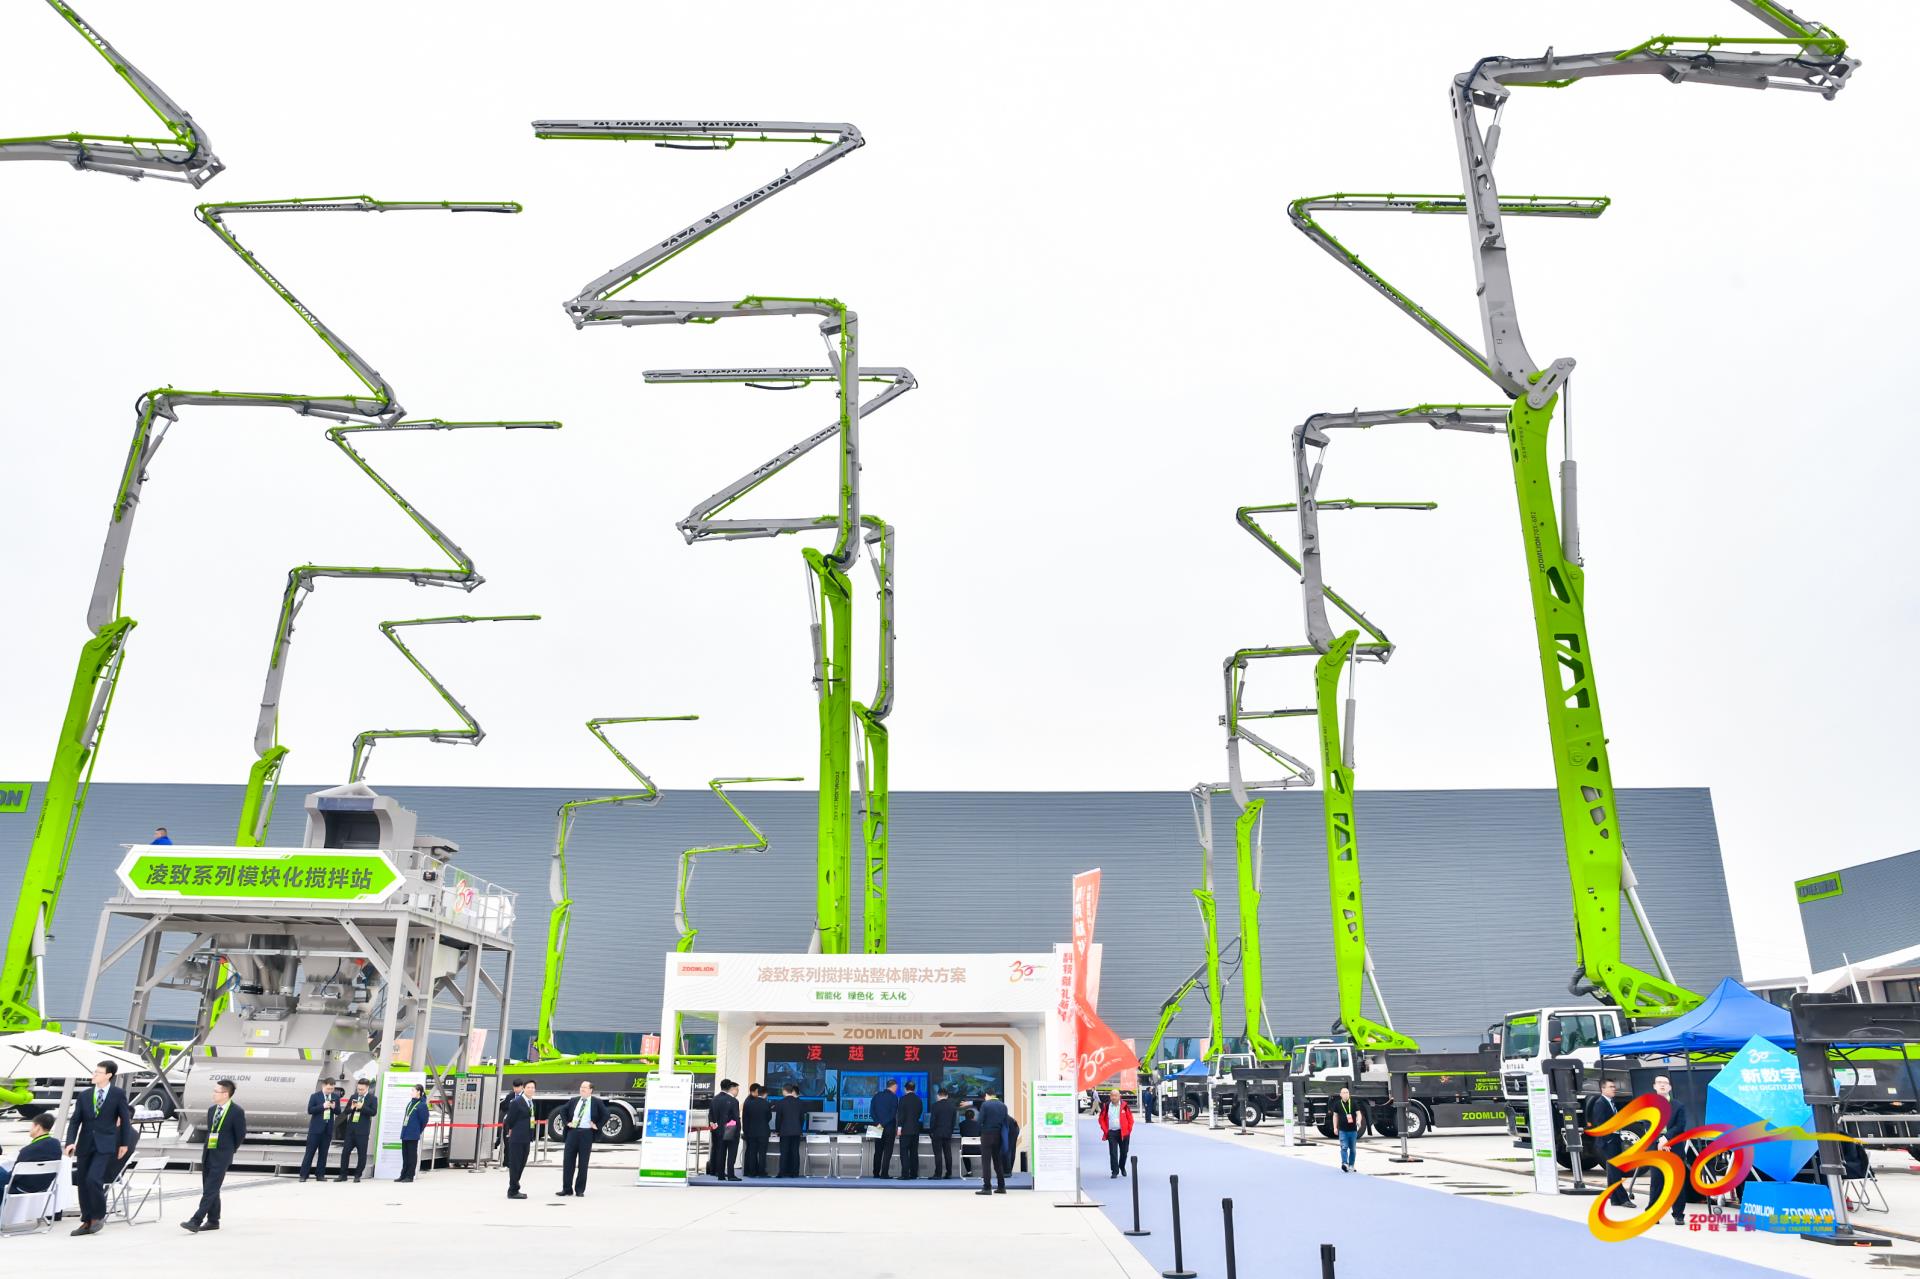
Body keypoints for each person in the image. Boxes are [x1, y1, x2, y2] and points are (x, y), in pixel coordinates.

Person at [64, 1059, 135, 1235]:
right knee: (83, 1182)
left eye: (98, 1072)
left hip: (105, 1145)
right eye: (94, 1071)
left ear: (108, 1075)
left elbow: (125, 1120)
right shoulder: (85, 1095)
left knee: (93, 1179)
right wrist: (70, 1141)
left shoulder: (118, 1094)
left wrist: (124, 1143)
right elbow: (75, 1121)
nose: (94, 1075)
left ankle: (97, 1216)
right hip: (85, 1144)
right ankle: (87, 1220)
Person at [182, 1079, 245, 1233]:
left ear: (225, 1094)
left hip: (223, 1155)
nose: (213, 1094)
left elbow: (240, 1135)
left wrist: (229, 1150)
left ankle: (196, 1220)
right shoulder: (212, 1110)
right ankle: (213, 1220)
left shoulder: (236, 1111)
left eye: (216, 1091)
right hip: (209, 1152)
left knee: (210, 1189)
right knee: (211, 1188)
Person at [1646, 1075, 1694, 1225]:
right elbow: (1648, 1126)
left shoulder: (1678, 1106)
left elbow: (1680, 1126)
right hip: (1655, 1148)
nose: (1662, 1085)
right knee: (1657, 1181)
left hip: (1674, 1147)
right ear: (1654, 1086)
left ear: (1670, 1087)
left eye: (1665, 1083)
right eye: (1659, 1082)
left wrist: (1666, 1139)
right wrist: (1659, 1141)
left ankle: (1678, 1214)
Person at [1583, 1078, 1632, 1208]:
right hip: (1608, 1141)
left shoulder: (1611, 1102)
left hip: (1614, 1139)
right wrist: (1609, 1139)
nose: (1614, 1089)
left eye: (1614, 1086)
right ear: (1603, 1089)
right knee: (1615, 1172)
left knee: (1612, 1171)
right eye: (1611, 1087)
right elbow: (1600, 1123)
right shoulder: (1600, 1103)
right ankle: (1623, 1199)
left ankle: (1614, 1199)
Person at [0, 1114, 63, 1210]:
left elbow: (14, 1177)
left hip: (22, 1187)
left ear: (37, 1127)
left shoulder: (28, 1150)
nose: (30, 1129)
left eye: (32, 1126)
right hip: (44, 1186)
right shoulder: (56, 1144)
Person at [559, 1080, 608, 1196]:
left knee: (583, 1163)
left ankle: (580, 1190)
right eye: (581, 1087)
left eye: (585, 1087)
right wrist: (567, 1123)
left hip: (586, 1134)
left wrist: (597, 1125)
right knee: (568, 1161)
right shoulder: (574, 1100)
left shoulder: (596, 1102)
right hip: (572, 1132)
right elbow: (562, 1110)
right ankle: (567, 1189)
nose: (582, 1089)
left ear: (591, 1090)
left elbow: (606, 1114)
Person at [298, 1077, 340, 1183]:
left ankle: (320, 1175)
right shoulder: (315, 1096)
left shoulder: (335, 1097)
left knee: (323, 1153)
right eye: (328, 1088)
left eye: (332, 1089)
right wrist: (323, 1106)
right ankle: (303, 1175)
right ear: (323, 1086)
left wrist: (334, 1107)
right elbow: (310, 1110)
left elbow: (338, 1112)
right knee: (310, 1153)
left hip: (327, 1130)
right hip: (315, 1130)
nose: (330, 1091)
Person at [337, 1078, 378, 1182]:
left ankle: (357, 1175)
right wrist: (351, 1107)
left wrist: (362, 1106)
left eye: (362, 1089)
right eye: (358, 1089)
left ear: (367, 1088)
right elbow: (346, 1111)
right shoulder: (353, 1097)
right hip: (351, 1130)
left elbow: (373, 1112)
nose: (359, 1091)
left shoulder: (372, 1098)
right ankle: (343, 1175)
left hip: (362, 1131)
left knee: (362, 1154)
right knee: (345, 1153)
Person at [501, 1079, 535, 1199]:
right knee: (515, 1164)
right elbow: (509, 1119)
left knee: (522, 1164)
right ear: (524, 1089)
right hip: (517, 1137)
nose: (531, 1089)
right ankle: (512, 1190)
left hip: (526, 1137)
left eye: (533, 1087)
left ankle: (515, 1187)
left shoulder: (531, 1102)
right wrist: (510, 1131)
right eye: (528, 1087)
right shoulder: (517, 1102)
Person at [975, 1087, 1009, 1195]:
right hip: (998, 1135)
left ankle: (987, 1188)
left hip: (986, 1135)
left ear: (987, 1095)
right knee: (997, 1161)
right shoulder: (1003, 1105)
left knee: (986, 1162)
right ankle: (1001, 1187)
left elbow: (980, 1121)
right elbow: (1006, 1122)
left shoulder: (985, 1105)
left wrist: (979, 1132)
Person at [708, 1079, 742, 1182]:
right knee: (732, 1152)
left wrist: (714, 1126)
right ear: (731, 1088)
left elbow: (711, 1115)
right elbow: (735, 1117)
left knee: (721, 1152)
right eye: (737, 1089)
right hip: (731, 1128)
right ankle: (731, 1175)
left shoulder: (715, 1099)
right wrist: (738, 1129)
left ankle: (721, 1175)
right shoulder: (734, 1101)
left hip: (718, 1129)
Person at [1097, 1087, 1134, 1178]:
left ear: (1119, 1096)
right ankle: (1115, 1171)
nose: (1114, 1097)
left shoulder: (1125, 1106)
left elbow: (1130, 1119)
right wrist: (1106, 1130)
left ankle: (1122, 1166)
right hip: (1111, 1133)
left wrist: (1128, 1130)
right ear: (1110, 1096)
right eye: (1112, 1095)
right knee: (1113, 1152)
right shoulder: (1106, 1106)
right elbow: (1101, 1119)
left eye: (1116, 1095)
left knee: (1124, 1152)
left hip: (1124, 1133)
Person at [398, 1084, 429, 1182]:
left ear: (418, 1092)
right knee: (405, 1156)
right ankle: (403, 1175)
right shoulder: (410, 1103)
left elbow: (424, 1121)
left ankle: (410, 1176)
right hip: (405, 1133)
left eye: (413, 1090)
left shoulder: (422, 1105)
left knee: (411, 1156)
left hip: (413, 1134)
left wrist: (417, 1131)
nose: (411, 1092)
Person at [894, 1080, 924, 1180]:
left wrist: (899, 1128)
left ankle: (905, 1174)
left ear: (905, 1089)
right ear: (914, 1089)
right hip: (915, 1129)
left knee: (904, 1152)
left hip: (905, 1130)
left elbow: (901, 1115)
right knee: (914, 1153)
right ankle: (914, 1174)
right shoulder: (919, 1100)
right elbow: (919, 1114)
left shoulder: (902, 1099)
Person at [774, 1084, 805, 1178]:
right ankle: (795, 1173)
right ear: (792, 1091)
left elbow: (778, 1119)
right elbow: (802, 1118)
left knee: (784, 1152)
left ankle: (782, 1173)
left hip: (784, 1131)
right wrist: (800, 1128)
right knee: (795, 1152)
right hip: (796, 1131)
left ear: (784, 1091)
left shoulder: (780, 1103)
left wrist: (777, 1130)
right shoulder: (799, 1103)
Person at [870, 1077, 899, 1178]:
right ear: (894, 1086)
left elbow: (871, 1112)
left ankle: (875, 1173)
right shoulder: (894, 1097)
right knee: (887, 1151)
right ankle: (884, 1174)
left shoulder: (876, 1096)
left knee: (877, 1151)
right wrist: (883, 1123)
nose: (896, 1089)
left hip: (876, 1127)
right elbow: (892, 1114)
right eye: (896, 1087)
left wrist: (878, 1123)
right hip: (889, 1127)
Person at [741, 1083, 772, 1178]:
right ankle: (762, 1172)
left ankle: (752, 1172)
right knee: (762, 1153)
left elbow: (745, 1118)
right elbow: (769, 1117)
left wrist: (746, 1131)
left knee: (752, 1152)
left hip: (751, 1132)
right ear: (765, 1094)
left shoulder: (748, 1103)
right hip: (763, 1132)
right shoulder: (767, 1104)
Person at [929, 1086, 959, 1180]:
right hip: (948, 1133)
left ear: (938, 1095)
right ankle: (949, 1173)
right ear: (947, 1096)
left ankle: (938, 1174)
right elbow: (953, 1121)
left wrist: (931, 1131)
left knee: (938, 1154)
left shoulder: (935, 1106)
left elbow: (932, 1121)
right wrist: (950, 1131)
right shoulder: (952, 1106)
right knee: (948, 1153)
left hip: (937, 1133)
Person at [1334, 1086, 1362, 1173]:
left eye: (1347, 1092)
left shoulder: (1353, 1103)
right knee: (1344, 1147)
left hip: (1353, 1130)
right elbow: (1335, 1116)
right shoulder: (1337, 1104)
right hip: (1342, 1130)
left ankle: (1351, 1165)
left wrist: (1359, 1121)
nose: (1346, 1094)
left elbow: (1359, 1113)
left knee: (1353, 1149)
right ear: (1340, 1094)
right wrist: (1335, 1127)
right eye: (1344, 1093)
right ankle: (1344, 1163)